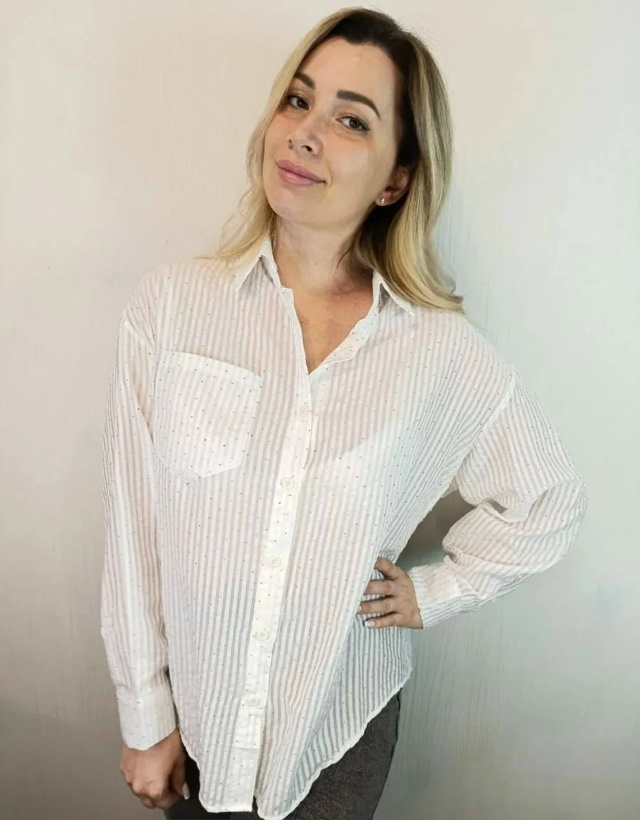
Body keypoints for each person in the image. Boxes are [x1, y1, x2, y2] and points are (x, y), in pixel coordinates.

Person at [100, 7, 588, 820]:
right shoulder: (173, 307)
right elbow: (134, 527)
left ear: (396, 178)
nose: (305, 133)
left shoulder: (440, 352)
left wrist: (436, 593)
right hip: (198, 723)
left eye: (351, 120)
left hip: (336, 731)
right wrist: (145, 718)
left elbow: (549, 498)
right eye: (298, 101)